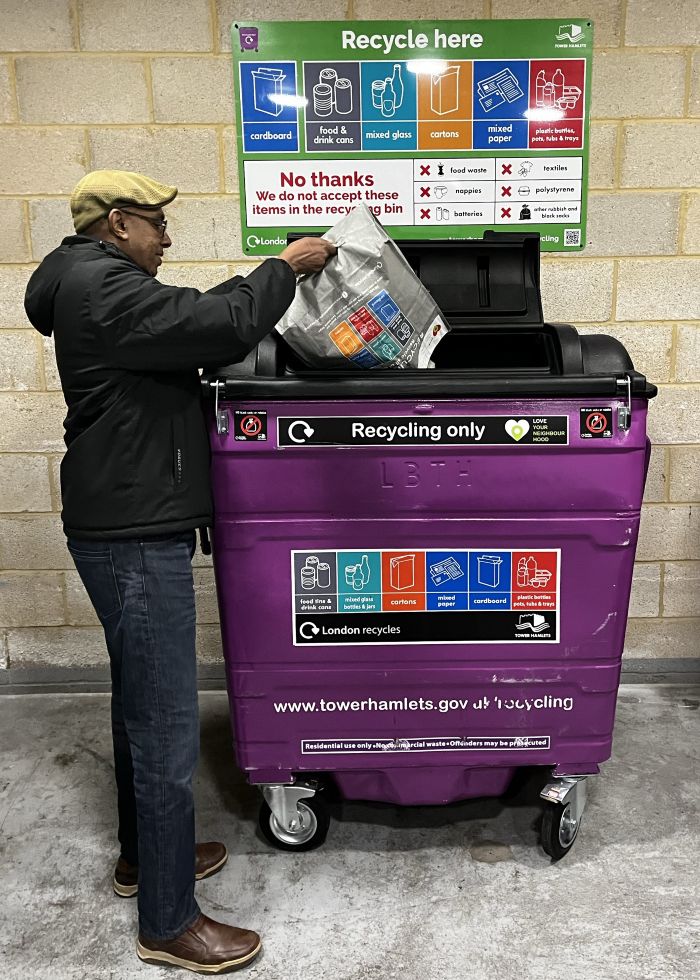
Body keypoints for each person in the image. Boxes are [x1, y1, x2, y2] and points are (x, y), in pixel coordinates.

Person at [24, 169, 336, 973]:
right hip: (132, 533)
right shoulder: (106, 289)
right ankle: (168, 923)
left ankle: (142, 859)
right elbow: (219, 321)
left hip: (122, 519)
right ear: (119, 224)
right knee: (164, 727)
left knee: (141, 701)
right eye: (158, 224)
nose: (167, 237)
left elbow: (189, 328)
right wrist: (286, 266)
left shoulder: (90, 283)